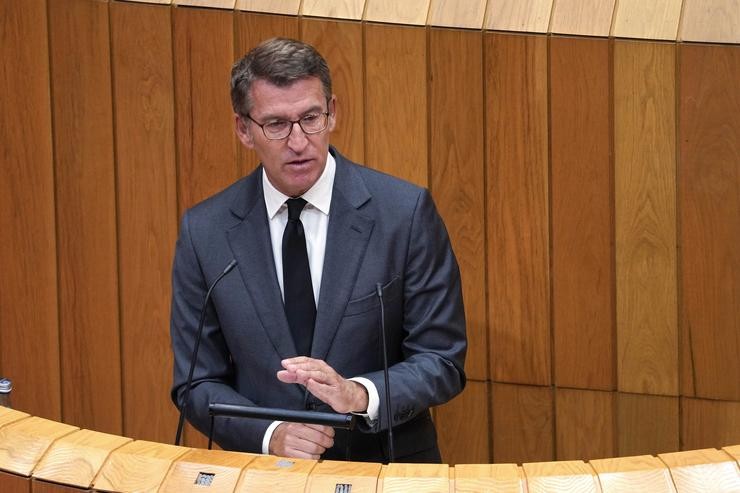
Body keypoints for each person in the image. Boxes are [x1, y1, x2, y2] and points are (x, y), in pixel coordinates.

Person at [170, 37, 466, 463]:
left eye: (311, 118)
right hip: (268, 476)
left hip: (386, 467)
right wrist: (271, 434)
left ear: (333, 112)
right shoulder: (206, 232)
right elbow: (196, 382)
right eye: (276, 124)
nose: (298, 141)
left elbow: (442, 360)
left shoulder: (404, 213)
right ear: (243, 130)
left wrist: (358, 394)